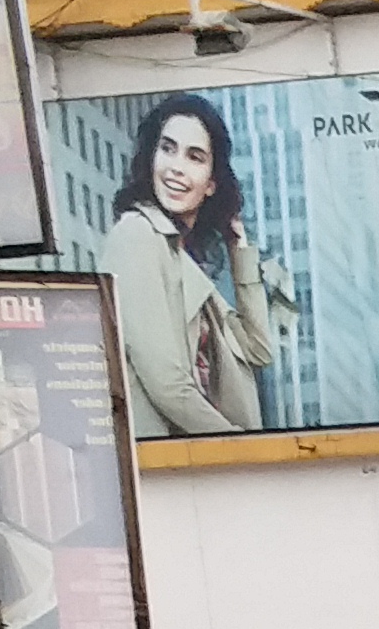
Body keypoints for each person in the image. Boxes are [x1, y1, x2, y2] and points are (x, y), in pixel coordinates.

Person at [101, 94, 272, 438]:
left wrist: (240, 250)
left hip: (194, 461)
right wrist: (240, 448)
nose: (176, 166)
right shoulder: (136, 235)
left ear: (211, 183)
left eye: (194, 157)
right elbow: (167, 382)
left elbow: (258, 348)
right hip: (169, 464)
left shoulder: (178, 256)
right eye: (167, 149)